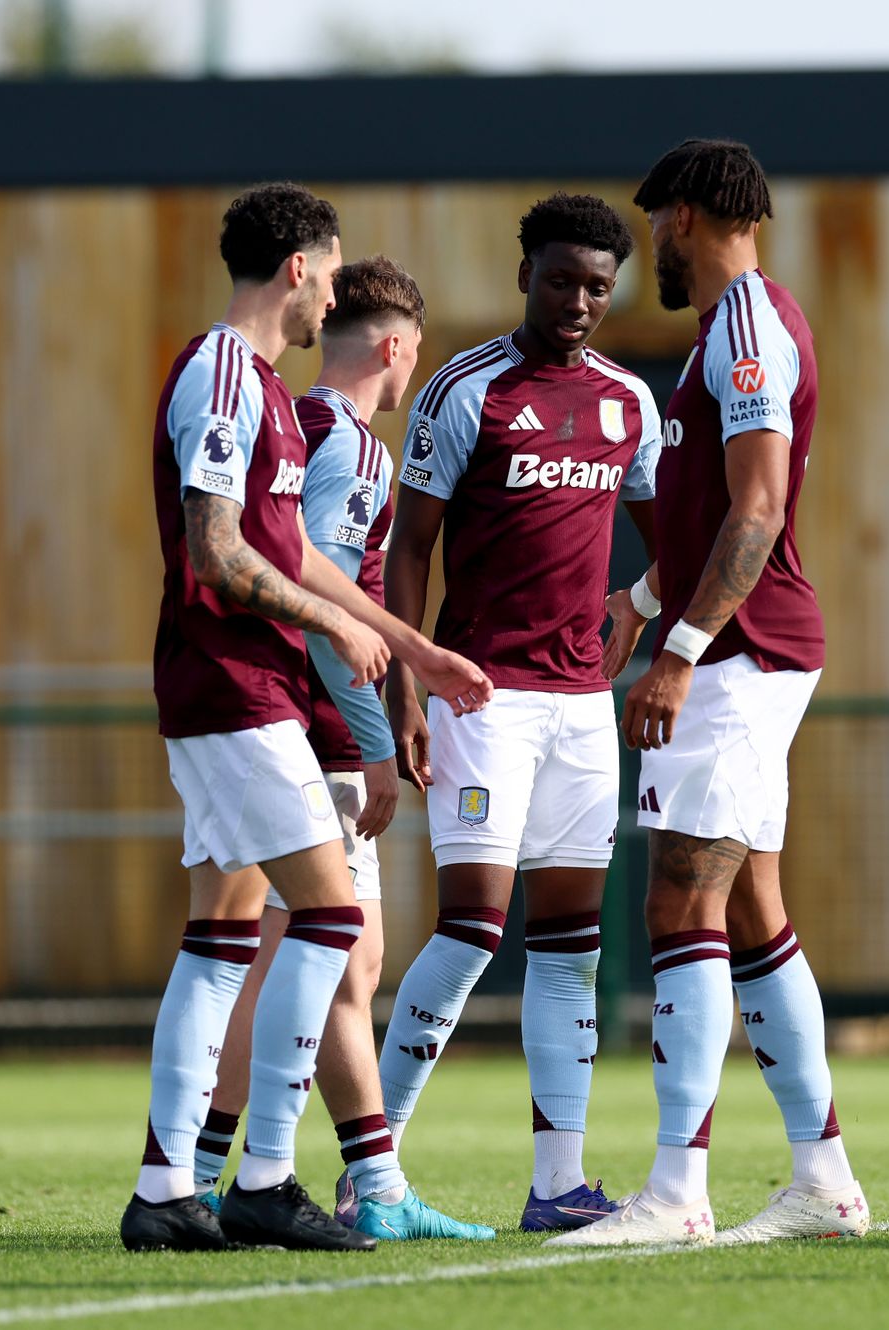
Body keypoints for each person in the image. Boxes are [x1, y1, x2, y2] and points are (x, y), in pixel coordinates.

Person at [127, 184, 491, 1253]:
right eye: (328, 271)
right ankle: (266, 1177)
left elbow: (296, 557)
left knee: (223, 938)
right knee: (332, 922)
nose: (331, 292)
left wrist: (405, 643)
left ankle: (169, 1186)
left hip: (247, 689)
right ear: (297, 269)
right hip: (232, 686)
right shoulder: (222, 373)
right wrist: (343, 631)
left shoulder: (272, 396)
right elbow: (222, 552)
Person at [552, 139, 867, 1249]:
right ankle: (823, 1178)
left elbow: (759, 515)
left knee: (679, 905)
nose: (650, 256)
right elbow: (707, 522)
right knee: (750, 913)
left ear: (682, 215)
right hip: (741, 645)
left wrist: (679, 651)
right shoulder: (722, 340)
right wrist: (641, 597)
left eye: (651, 232)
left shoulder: (744, 329)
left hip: (739, 659)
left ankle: (676, 1193)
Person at [377, 193, 661, 1234]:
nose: (579, 300)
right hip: (479, 693)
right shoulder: (467, 388)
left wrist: (640, 606)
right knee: (469, 927)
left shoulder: (629, 401)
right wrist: (404, 679)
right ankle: (375, 1172)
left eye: (597, 284)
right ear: (524, 274)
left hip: (585, 706)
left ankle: (558, 1184)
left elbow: (681, 528)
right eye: (561, 279)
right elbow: (409, 548)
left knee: (571, 944)